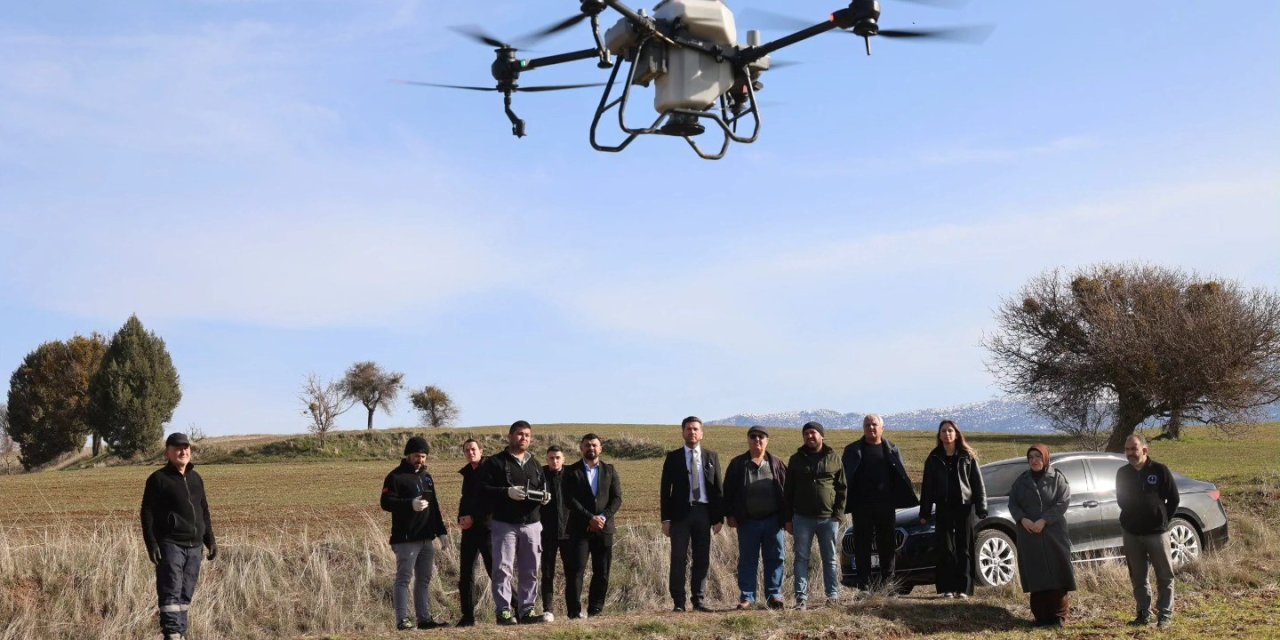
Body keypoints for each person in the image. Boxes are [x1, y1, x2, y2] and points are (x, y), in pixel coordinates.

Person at [140, 432, 218, 640]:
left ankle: (180, 633)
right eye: (177, 448)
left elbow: (203, 509)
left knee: (185, 594)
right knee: (171, 591)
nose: (182, 451)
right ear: (168, 452)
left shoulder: (196, 478)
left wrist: (210, 539)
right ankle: (172, 634)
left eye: (186, 448)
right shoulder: (158, 479)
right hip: (170, 544)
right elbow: (146, 513)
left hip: (194, 546)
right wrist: (152, 544)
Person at [481, 420, 552, 625]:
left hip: (532, 524)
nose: (524, 438)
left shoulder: (535, 463)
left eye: (527, 435)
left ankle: (527, 611)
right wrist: (506, 492)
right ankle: (503, 611)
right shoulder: (495, 463)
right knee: (503, 569)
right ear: (510, 436)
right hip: (505, 524)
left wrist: (545, 497)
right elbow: (483, 490)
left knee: (530, 568)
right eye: (520, 434)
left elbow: (541, 487)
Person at [841, 414, 918, 592]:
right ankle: (864, 585)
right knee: (862, 546)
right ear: (863, 428)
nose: (871, 428)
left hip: (886, 505)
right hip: (861, 506)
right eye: (867, 425)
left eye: (874, 424)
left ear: (882, 428)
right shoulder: (852, 450)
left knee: (887, 545)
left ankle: (888, 583)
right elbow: (844, 478)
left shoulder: (891, 449)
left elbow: (901, 475)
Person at [380, 436, 450, 630]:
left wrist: (441, 532)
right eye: (417, 456)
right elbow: (385, 502)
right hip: (406, 538)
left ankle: (424, 619)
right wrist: (409, 504)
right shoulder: (395, 477)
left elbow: (434, 506)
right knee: (404, 579)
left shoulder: (427, 477)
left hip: (427, 537)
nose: (421, 460)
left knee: (424, 579)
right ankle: (402, 620)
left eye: (424, 456)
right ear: (408, 455)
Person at [659, 416, 724, 612]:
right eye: (688, 429)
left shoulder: (711, 457)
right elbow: (665, 490)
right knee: (678, 558)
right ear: (683, 432)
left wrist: (718, 517)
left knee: (702, 557)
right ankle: (679, 601)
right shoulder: (673, 457)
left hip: (703, 513)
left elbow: (718, 489)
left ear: (701, 433)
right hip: (680, 515)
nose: (692, 432)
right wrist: (666, 518)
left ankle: (699, 600)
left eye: (696, 429)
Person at [1008, 444, 1076, 628]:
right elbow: (1013, 504)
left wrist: (1044, 520)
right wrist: (1023, 520)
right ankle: (1041, 617)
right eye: (1031, 457)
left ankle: (1058, 617)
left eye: (1038, 456)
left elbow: (1063, 502)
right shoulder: (1021, 481)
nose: (1034, 460)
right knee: (1036, 574)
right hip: (1029, 534)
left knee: (1056, 573)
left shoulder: (1057, 478)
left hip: (1053, 533)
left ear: (1045, 458)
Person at [918, 420, 987, 599]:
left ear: (956, 433)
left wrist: (981, 507)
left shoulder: (966, 456)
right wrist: (924, 512)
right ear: (939, 435)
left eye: (950, 430)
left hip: (964, 507)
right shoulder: (933, 458)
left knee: (964, 547)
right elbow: (927, 487)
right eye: (943, 431)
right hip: (943, 507)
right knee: (945, 547)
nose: (947, 434)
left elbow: (978, 484)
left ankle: (964, 588)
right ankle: (947, 587)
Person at [1117, 434, 1180, 629]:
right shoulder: (1122, 473)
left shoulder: (1160, 470)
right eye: (1127, 449)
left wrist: (1161, 519)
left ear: (1144, 450)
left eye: (1134, 449)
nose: (1130, 453)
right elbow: (1120, 499)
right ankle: (1143, 613)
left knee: (1164, 575)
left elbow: (1174, 499)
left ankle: (1165, 615)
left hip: (1156, 533)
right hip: (1132, 533)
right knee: (1138, 576)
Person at [722, 426, 788, 610]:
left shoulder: (777, 464)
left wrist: (788, 518)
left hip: (773, 521)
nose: (757, 440)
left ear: (767, 441)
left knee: (776, 558)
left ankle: (774, 595)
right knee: (747, 560)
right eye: (753, 437)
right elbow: (727, 492)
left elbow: (787, 492)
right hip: (747, 521)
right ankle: (747, 598)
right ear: (748, 440)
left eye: (761, 437)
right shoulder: (737, 464)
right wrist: (729, 514)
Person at [784, 421, 846, 609]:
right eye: (806, 434)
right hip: (802, 518)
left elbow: (842, 488)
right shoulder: (796, 459)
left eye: (813, 433)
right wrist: (788, 518)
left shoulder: (834, 457)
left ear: (821, 435)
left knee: (830, 558)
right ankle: (801, 599)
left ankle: (832, 596)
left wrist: (839, 514)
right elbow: (789, 490)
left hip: (828, 518)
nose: (810, 436)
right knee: (801, 558)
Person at [562, 433, 623, 618]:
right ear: (581, 448)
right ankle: (574, 612)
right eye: (587, 445)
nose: (591, 448)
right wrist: (590, 518)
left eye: (594, 445)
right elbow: (569, 499)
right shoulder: (571, 471)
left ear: (600, 448)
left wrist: (602, 517)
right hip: (579, 529)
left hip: (604, 529)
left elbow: (617, 498)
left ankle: (596, 609)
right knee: (575, 572)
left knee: (602, 571)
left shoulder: (610, 471)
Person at [455, 438, 495, 627]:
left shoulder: (490, 470)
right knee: (465, 575)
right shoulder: (467, 473)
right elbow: (465, 500)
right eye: (467, 450)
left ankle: (516, 607)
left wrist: (475, 518)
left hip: (487, 529)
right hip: (469, 531)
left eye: (473, 449)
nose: (470, 452)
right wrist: (461, 518)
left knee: (495, 572)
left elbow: (491, 501)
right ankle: (468, 616)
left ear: (481, 450)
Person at [540, 445, 571, 616]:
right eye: (551, 458)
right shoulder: (540, 475)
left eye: (558, 457)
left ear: (563, 459)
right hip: (546, 533)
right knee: (547, 572)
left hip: (569, 532)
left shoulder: (571, 475)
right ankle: (548, 610)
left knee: (572, 573)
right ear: (547, 459)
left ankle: (573, 609)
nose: (555, 461)